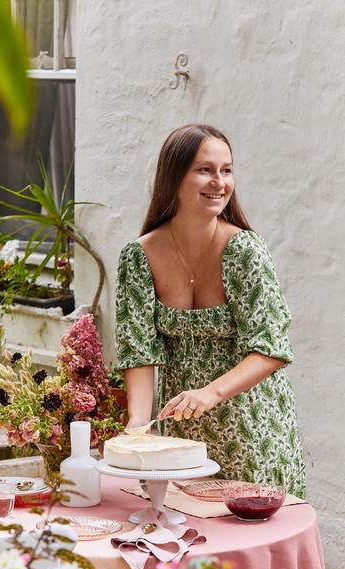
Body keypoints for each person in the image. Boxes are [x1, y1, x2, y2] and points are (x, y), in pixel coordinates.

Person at [114, 124, 305, 497]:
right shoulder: (139, 257)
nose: (219, 182)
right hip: (180, 438)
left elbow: (271, 347)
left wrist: (211, 393)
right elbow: (138, 350)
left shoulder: (243, 250)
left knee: (247, 539)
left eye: (227, 170)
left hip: (253, 428)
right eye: (205, 169)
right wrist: (139, 425)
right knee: (180, 537)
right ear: (173, 178)